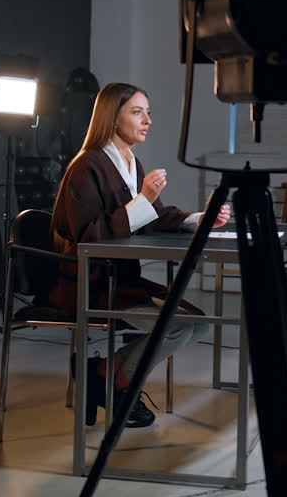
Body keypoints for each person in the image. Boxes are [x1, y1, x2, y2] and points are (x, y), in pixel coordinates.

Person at [48, 82, 230, 428]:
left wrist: (200, 219)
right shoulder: (87, 166)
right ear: (111, 118)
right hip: (91, 283)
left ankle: (104, 370)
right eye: (136, 112)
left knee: (196, 324)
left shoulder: (130, 161)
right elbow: (90, 237)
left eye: (148, 112)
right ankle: (117, 381)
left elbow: (155, 216)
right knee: (176, 327)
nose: (147, 120)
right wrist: (143, 200)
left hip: (121, 281)